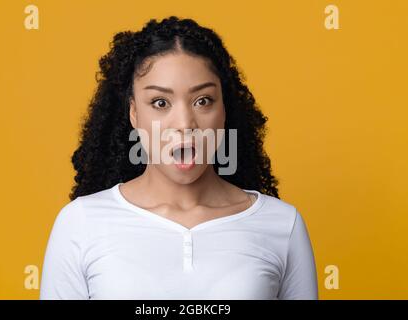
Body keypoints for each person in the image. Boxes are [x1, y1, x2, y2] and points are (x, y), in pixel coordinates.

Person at [39, 16, 318, 300]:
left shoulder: (283, 224)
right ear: (134, 113)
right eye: (160, 103)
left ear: (224, 110)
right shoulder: (80, 223)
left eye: (203, 101)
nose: (185, 123)